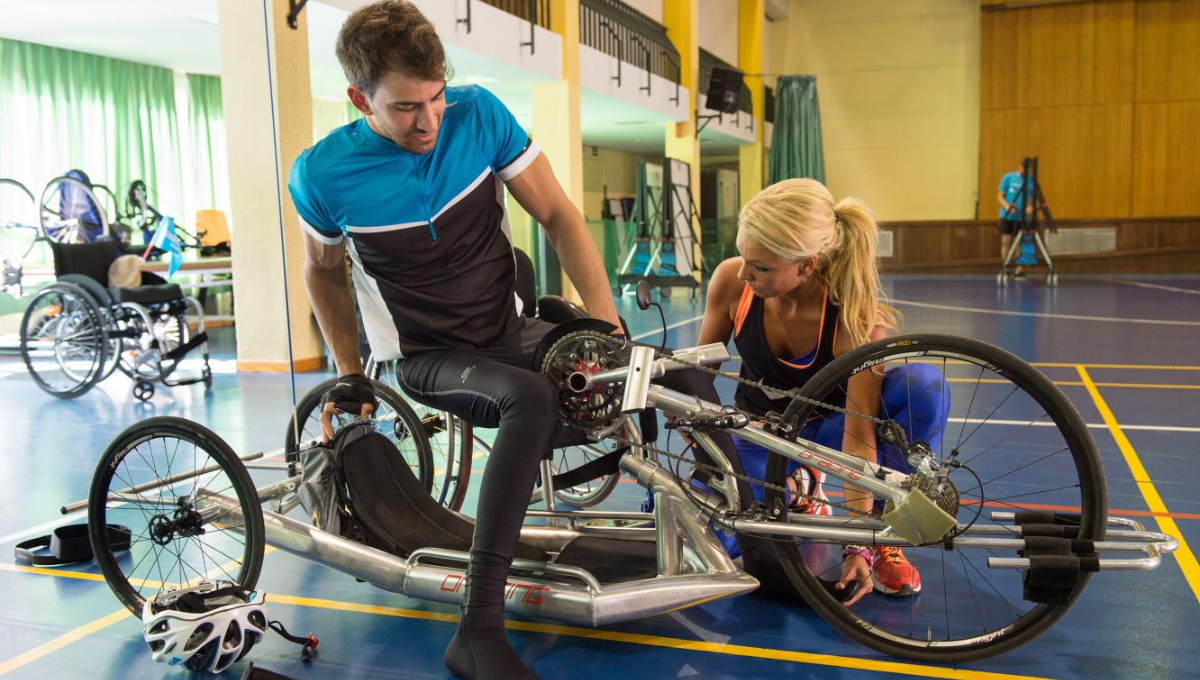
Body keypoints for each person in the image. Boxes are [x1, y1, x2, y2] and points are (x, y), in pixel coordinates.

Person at [286, 3, 623, 679]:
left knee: (647, 375)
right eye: (408, 107)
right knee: (528, 398)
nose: (431, 120)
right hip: (432, 359)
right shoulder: (323, 174)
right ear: (360, 100)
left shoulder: (480, 115)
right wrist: (353, 378)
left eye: (438, 96)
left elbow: (558, 214)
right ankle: (478, 631)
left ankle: (767, 551)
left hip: (509, 329)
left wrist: (609, 327)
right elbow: (323, 276)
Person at [697, 178, 950, 605]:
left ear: (807, 266)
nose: (744, 272)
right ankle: (798, 487)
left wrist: (858, 542)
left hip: (829, 437)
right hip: (759, 432)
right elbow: (697, 380)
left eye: (759, 266)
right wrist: (704, 449)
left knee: (921, 387)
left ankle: (884, 531)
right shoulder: (732, 283)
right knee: (719, 545)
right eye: (743, 256)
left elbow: (858, 434)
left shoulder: (854, 317)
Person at [997, 165, 1029, 278]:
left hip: (1021, 218)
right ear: (1020, 167)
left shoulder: (1030, 182)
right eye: (1024, 168)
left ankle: (1019, 270)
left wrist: (1029, 208)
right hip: (1007, 216)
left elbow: (1031, 201)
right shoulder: (1008, 177)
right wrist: (1007, 207)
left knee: (1019, 243)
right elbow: (1000, 196)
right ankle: (1005, 266)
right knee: (1005, 241)